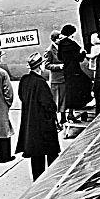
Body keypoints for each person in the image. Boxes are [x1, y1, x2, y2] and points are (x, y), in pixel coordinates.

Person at [15, 51, 61, 180]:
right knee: (51, 153)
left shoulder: (24, 80)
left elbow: (22, 97)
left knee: (36, 156)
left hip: (31, 124)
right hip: (44, 124)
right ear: (40, 66)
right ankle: (52, 180)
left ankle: (37, 181)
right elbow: (48, 104)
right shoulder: (40, 83)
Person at [57, 23, 90, 121]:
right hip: (75, 70)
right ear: (71, 33)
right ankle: (81, 108)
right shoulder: (72, 45)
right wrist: (83, 53)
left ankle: (71, 113)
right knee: (86, 83)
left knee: (71, 92)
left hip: (67, 71)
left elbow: (60, 57)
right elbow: (79, 59)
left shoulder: (61, 45)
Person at [43, 29, 66, 124]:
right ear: (55, 40)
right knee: (55, 102)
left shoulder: (62, 47)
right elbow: (47, 65)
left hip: (64, 78)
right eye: (59, 38)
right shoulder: (49, 50)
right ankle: (55, 121)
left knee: (64, 100)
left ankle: (64, 118)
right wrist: (59, 66)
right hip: (56, 80)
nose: (61, 40)